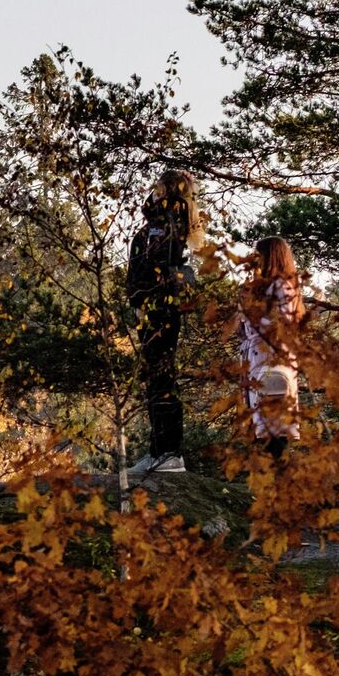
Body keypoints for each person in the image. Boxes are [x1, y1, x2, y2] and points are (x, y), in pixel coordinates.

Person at [125, 169, 205, 476]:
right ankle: (160, 450)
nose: (153, 191)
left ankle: (169, 452)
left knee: (161, 377)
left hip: (159, 309)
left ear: (168, 190)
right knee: (156, 377)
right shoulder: (160, 223)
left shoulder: (166, 225)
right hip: (155, 307)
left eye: (158, 186)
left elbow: (155, 266)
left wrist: (142, 300)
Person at [239, 236, 305, 460]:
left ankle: (276, 488)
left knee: (273, 433)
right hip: (260, 364)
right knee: (266, 432)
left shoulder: (281, 286)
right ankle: (272, 487)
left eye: (260, 255)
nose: (255, 260)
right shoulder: (267, 287)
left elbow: (284, 327)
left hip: (273, 364)